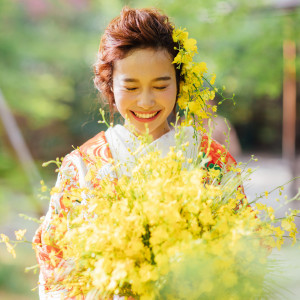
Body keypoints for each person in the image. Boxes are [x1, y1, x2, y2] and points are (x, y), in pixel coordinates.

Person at [33, 7, 236, 299]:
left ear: (179, 83)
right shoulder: (83, 166)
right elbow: (55, 259)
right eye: (131, 86)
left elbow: (246, 247)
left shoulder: (210, 159)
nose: (145, 101)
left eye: (160, 85)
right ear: (110, 86)